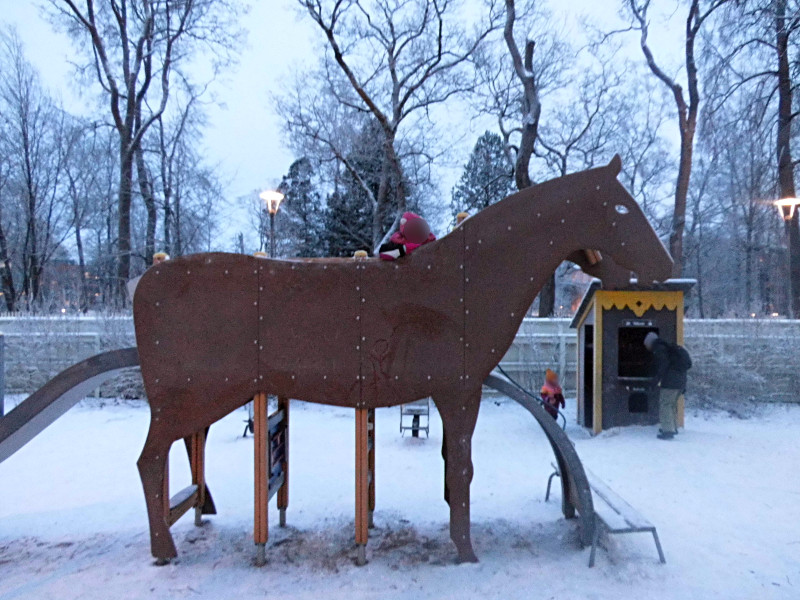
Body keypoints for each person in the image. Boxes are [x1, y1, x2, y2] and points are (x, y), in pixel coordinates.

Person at [644, 332, 692, 440]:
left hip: (670, 383)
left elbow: (663, 367)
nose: (646, 347)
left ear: (650, 342)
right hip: (680, 382)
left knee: (665, 405)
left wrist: (654, 382)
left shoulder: (659, 349)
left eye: (646, 345)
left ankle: (668, 431)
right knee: (671, 405)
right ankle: (672, 427)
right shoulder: (669, 348)